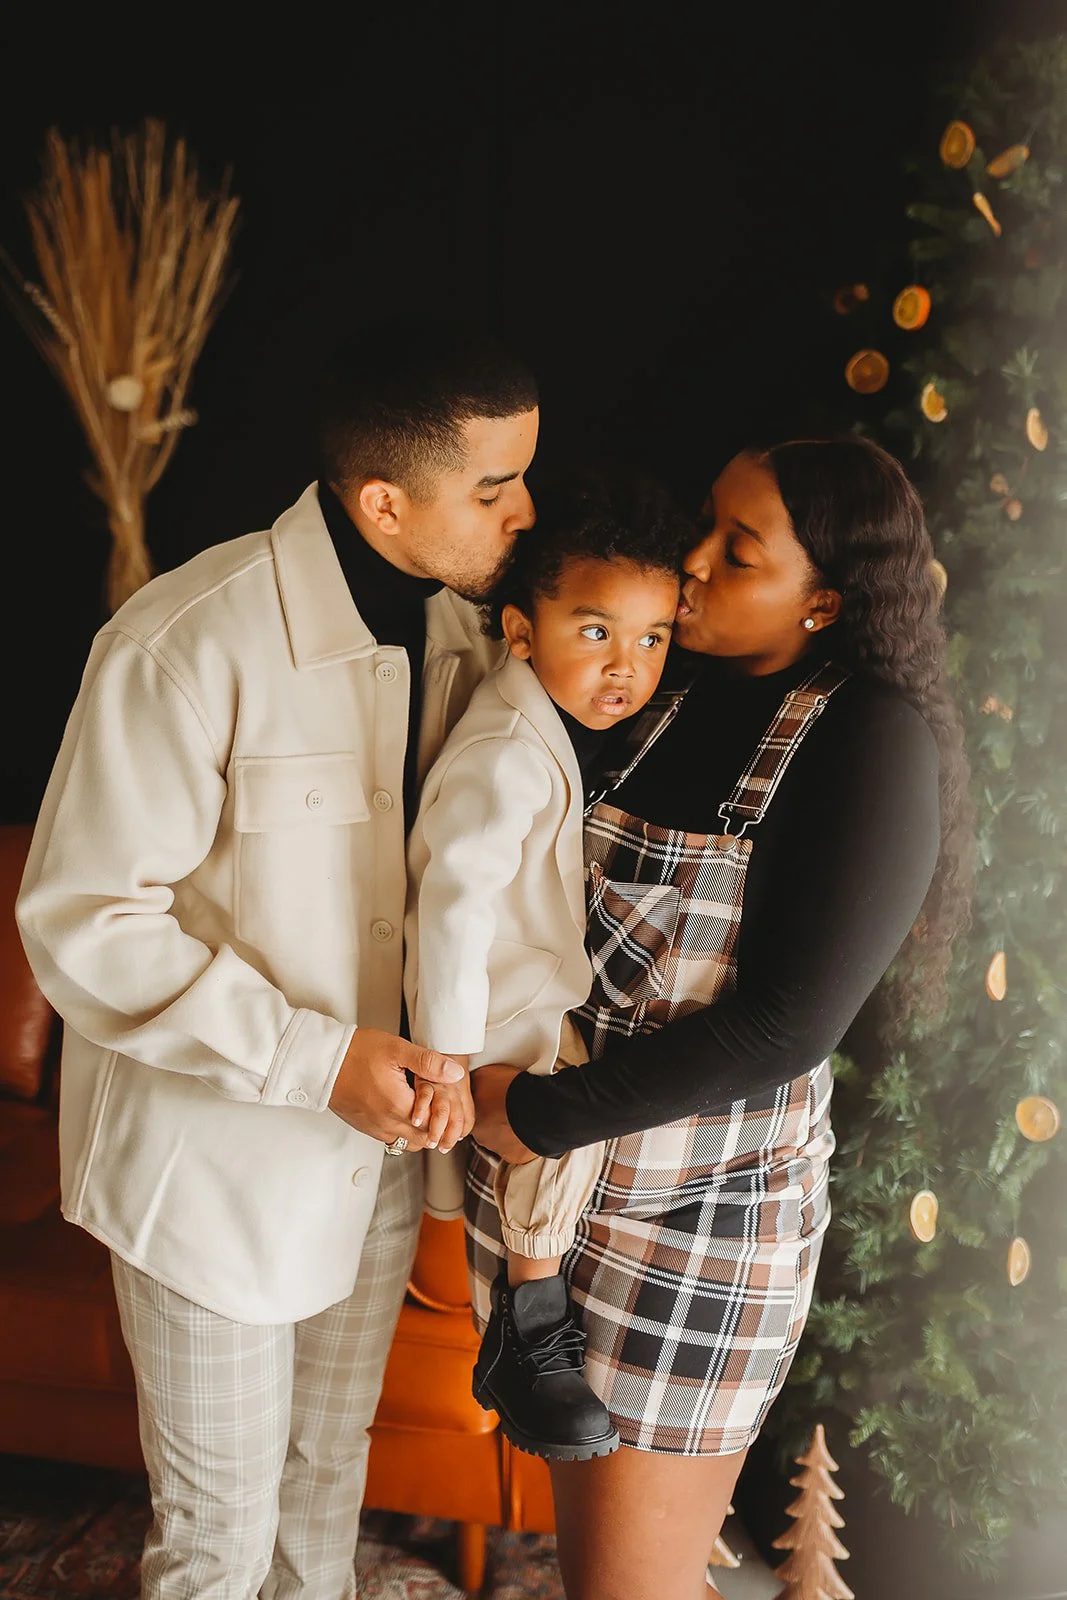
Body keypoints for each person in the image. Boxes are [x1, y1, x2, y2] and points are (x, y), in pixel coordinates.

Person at [15, 312, 538, 1600]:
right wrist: (317, 1059)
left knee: (322, 1502)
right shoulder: (181, 638)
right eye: (494, 486)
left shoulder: (473, 643)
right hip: (210, 1178)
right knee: (216, 1543)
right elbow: (85, 923)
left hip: (366, 1169)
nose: (527, 511)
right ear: (384, 500)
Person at [467, 435, 974, 1600]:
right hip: (561, 1200)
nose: (689, 562)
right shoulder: (657, 693)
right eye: (704, 524)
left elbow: (790, 1023)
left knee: (622, 1589)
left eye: (734, 550)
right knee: (593, 1562)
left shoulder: (866, 736)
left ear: (823, 601)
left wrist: (537, 1113)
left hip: (702, 1220)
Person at [404, 467, 690, 1463]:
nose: (626, 665)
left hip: (525, 995)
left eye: (652, 637)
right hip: (490, 1013)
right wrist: (443, 1057)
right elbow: (449, 901)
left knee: (577, 1123)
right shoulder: (506, 750)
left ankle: (526, 1312)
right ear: (521, 630)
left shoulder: (546, 727)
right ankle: (527, 1325)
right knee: (559, 1120)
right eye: (596, 631)